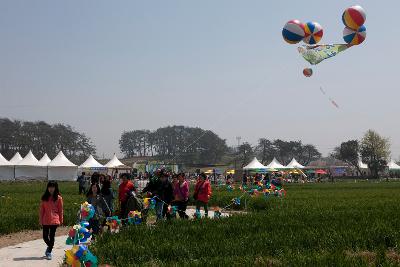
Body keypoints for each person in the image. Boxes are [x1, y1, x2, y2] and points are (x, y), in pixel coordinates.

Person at [39, 181, 63, 260]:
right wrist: (40, 220)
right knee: (45, 236)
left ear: (55, 188)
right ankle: (50, 246)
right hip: (46, 219)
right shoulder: (44, 197)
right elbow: (42, 210)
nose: (51, 189)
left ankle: (49, 252)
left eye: (53, 187)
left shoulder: (59, 198)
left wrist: (61, 219)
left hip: (55, 220)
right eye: (50, 187)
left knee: (51, 236)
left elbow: (60, 210)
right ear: (47, 188)